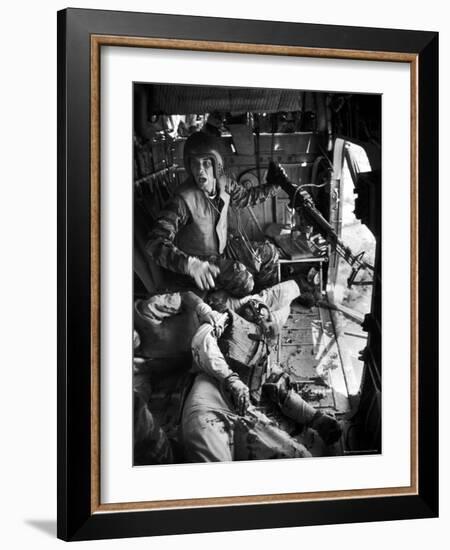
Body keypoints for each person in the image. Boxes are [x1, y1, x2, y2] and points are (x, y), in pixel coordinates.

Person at [181, 280, 342, 462]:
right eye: (259, 313)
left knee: (300, 456)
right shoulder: (223, 321)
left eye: (267, 317)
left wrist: (315, 418)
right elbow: (201, 343)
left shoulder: (262, 356)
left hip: (244, 411)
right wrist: (229, 378)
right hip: (209, 405)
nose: (263, 318)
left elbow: (280, 389)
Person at [146, 131, 289, 296]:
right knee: (243, 279)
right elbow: (154, 243)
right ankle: (226, 304)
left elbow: (246, 198)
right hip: (199, 262)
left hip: (223, 248)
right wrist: (190, 264)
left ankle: (263, 302)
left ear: (217, 166)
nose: (200, 170)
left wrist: (275, 186)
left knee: (270, 253)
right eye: (195, 164)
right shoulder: (182, 200)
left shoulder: (225, 183)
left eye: (206, 163)